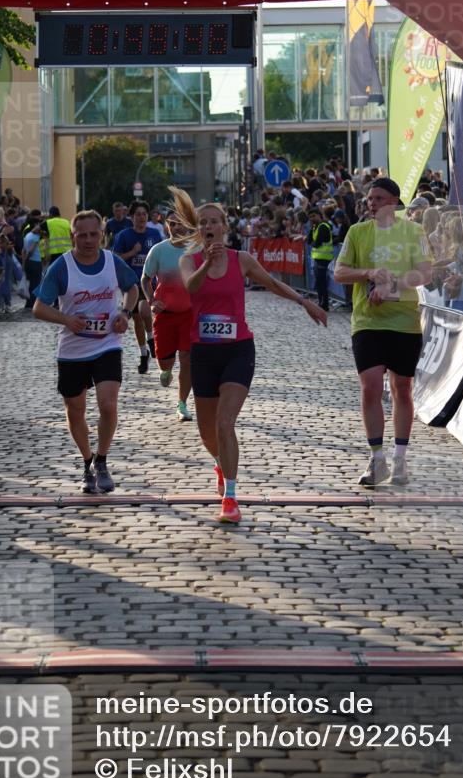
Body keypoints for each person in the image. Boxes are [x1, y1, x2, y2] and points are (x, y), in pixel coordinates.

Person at [172, 187, 327, 525]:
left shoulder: (241, 260)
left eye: (215, 221)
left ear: (225, 227)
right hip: (203, 353)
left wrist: (305, 303)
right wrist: (207, 263)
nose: (210, 226)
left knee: (225, 423)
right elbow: (191, 289)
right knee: (207, 432)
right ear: (199, 229)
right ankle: (221, 463)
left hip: (238, 349)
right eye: (204, 223)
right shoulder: (189, 261)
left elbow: (272, 284)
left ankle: (230, 497)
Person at [334, 177, 432, 487]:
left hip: (404, 320)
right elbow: (339, 272)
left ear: (394, 202)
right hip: (368, 321)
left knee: (402, 388)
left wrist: (393, 283)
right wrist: (368, 273)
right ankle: (377, 459)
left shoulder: (413, 231)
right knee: (370, 386)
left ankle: (400, 458)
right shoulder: (358, 232)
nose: (371, 203)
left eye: (378, 198)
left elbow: (425, 273)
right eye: (369, 198)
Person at [33, 210, 138, 493]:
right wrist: (66, 319)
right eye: (83, 235)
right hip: (72, 349)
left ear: (102, 235)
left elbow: (132, 288)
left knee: (107, 404)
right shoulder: (61, 267)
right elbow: (39, 307)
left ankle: (102, 460)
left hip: (107, 343)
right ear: (72, 236)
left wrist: (124, 313)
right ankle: (87, 461)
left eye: (94, 234)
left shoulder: (112, 262)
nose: (89, 240)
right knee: (76, 410)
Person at [141, 212, 194, 422]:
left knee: (187, 359)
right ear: (166, 227)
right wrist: (152, 301)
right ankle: (166, 370)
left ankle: (182, 404)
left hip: (190, 314)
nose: (177, 228)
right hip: (165, 314)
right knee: (165, 362)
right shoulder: (159, 250)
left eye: (180, 224)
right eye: (172, 224)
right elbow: (146, 279)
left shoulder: (197, 250)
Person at [113, 201, 162, 373]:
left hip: (149, 282)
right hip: (131, 283)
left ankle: (151, 340)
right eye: (138, 214)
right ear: (131, 217)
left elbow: (160, 257)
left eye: (144, 214)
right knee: (138, 320)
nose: (141, 217)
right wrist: (132, 253)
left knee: (145, 311)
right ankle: (144, 353)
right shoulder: (124, 235)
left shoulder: (154, 234)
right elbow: (116, 257)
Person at [308, 208, 334, 312]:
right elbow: (310, 240)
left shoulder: (323, 226)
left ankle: (324, 304)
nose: (312, 219)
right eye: (310, 217)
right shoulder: (315, 227)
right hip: (318, 258)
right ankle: (321, 302)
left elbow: (316, 243)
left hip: (324, 258)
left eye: (314, 216)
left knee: (322, 282)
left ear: (319, 215)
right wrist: (311, 229)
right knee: (319, 282)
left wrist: (313, 243)